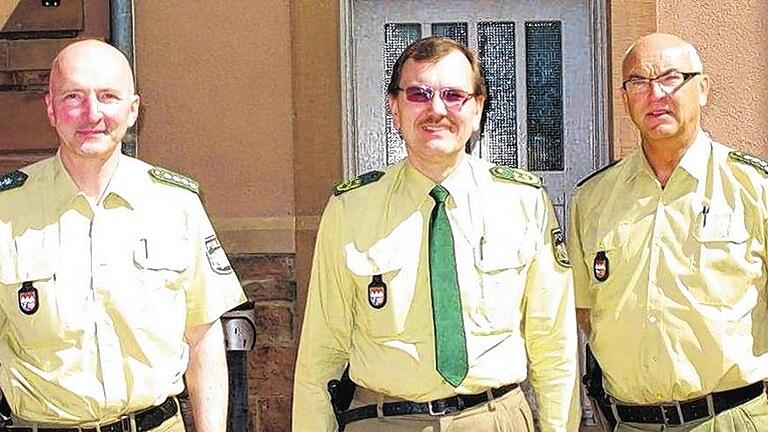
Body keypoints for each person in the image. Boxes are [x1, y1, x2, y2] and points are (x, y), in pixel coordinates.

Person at [293, 36, 579, 432]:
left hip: (495, 419)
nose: (437, 109)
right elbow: (319, 355)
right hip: (383, 421)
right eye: (419, 94)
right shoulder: (350, 209)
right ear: (394, 109)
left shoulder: (523, 202)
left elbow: (553, 348)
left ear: (478, 109)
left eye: (454, 95)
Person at [0, 40, 246, 431]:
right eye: (73, 96)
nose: (91, 113)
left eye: (108, 97)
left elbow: (203, 338)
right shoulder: (6, 212)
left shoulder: (175, 204)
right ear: (50, 107)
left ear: (132, 110)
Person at [569, 32, 768, 431]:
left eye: (672, 78)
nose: (655, 93)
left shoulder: (754, 189)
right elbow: (586, 313)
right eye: (638, 82)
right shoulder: (592, 200)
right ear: (624, 98)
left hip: (730, 419)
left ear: (703, 89)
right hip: (630, 422)